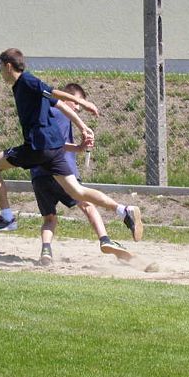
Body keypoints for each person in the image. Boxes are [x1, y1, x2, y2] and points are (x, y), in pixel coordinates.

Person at [0, 48, 143, 248]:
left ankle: (7, 217)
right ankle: (124, 210)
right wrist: (82, 126)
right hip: (54, 149)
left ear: (8, 66)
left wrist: (82, 102)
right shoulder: (27, 88)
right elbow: (60, 104)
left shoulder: (26, 80)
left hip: (36, 148)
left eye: (0, 67)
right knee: (78, 191)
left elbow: (54, 92)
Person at [29, 82, 133, 266]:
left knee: (49, 218)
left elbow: (49, 143)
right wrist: (79, 145)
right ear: (66, 98)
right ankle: (105, 239)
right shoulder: (61, 113)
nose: (77, 108)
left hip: (38, 174)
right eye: (76, 103)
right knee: (87, 205)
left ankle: (46, 251)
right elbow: (56, 144)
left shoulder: (42, 113)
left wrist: (78, 147)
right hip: (62, 171)